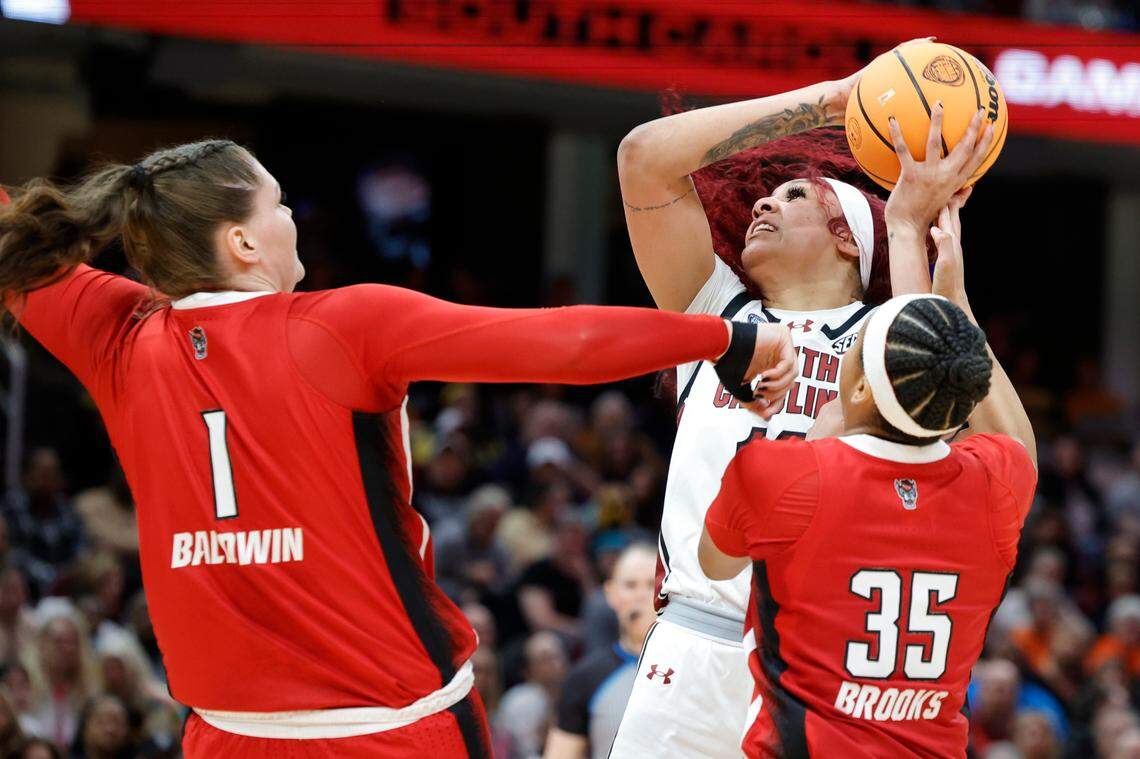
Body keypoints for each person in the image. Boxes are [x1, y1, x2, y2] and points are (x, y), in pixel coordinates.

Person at [0, 139, 796, 758]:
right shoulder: (339, 326)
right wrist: (723, 336)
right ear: (243, 242)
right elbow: (560, 339)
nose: (292, 219)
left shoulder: (118, 335)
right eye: (279, 204)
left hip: (225, 732)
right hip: (390, 727)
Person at [610, 41, 996, 756]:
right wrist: (829, 100)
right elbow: (644, 159)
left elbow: (931, 368)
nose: (762, 199)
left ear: (849, 236)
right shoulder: (717, 316)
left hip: (818, 668)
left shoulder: (882, 341)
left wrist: (910, 225)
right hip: (698, 638)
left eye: (795, 196)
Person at [697, 199, 1038, 756]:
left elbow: (714, 563)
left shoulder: (782, 471)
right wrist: (952, 305)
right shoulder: (995, 483)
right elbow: (1014, 440)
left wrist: (814, 443)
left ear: (859, 390)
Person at [544, 543, 655, 759]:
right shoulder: (585, 677)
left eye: (652, 585)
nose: (641, 595)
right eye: (631, 585)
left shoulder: (695, 670)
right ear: (611, 594)